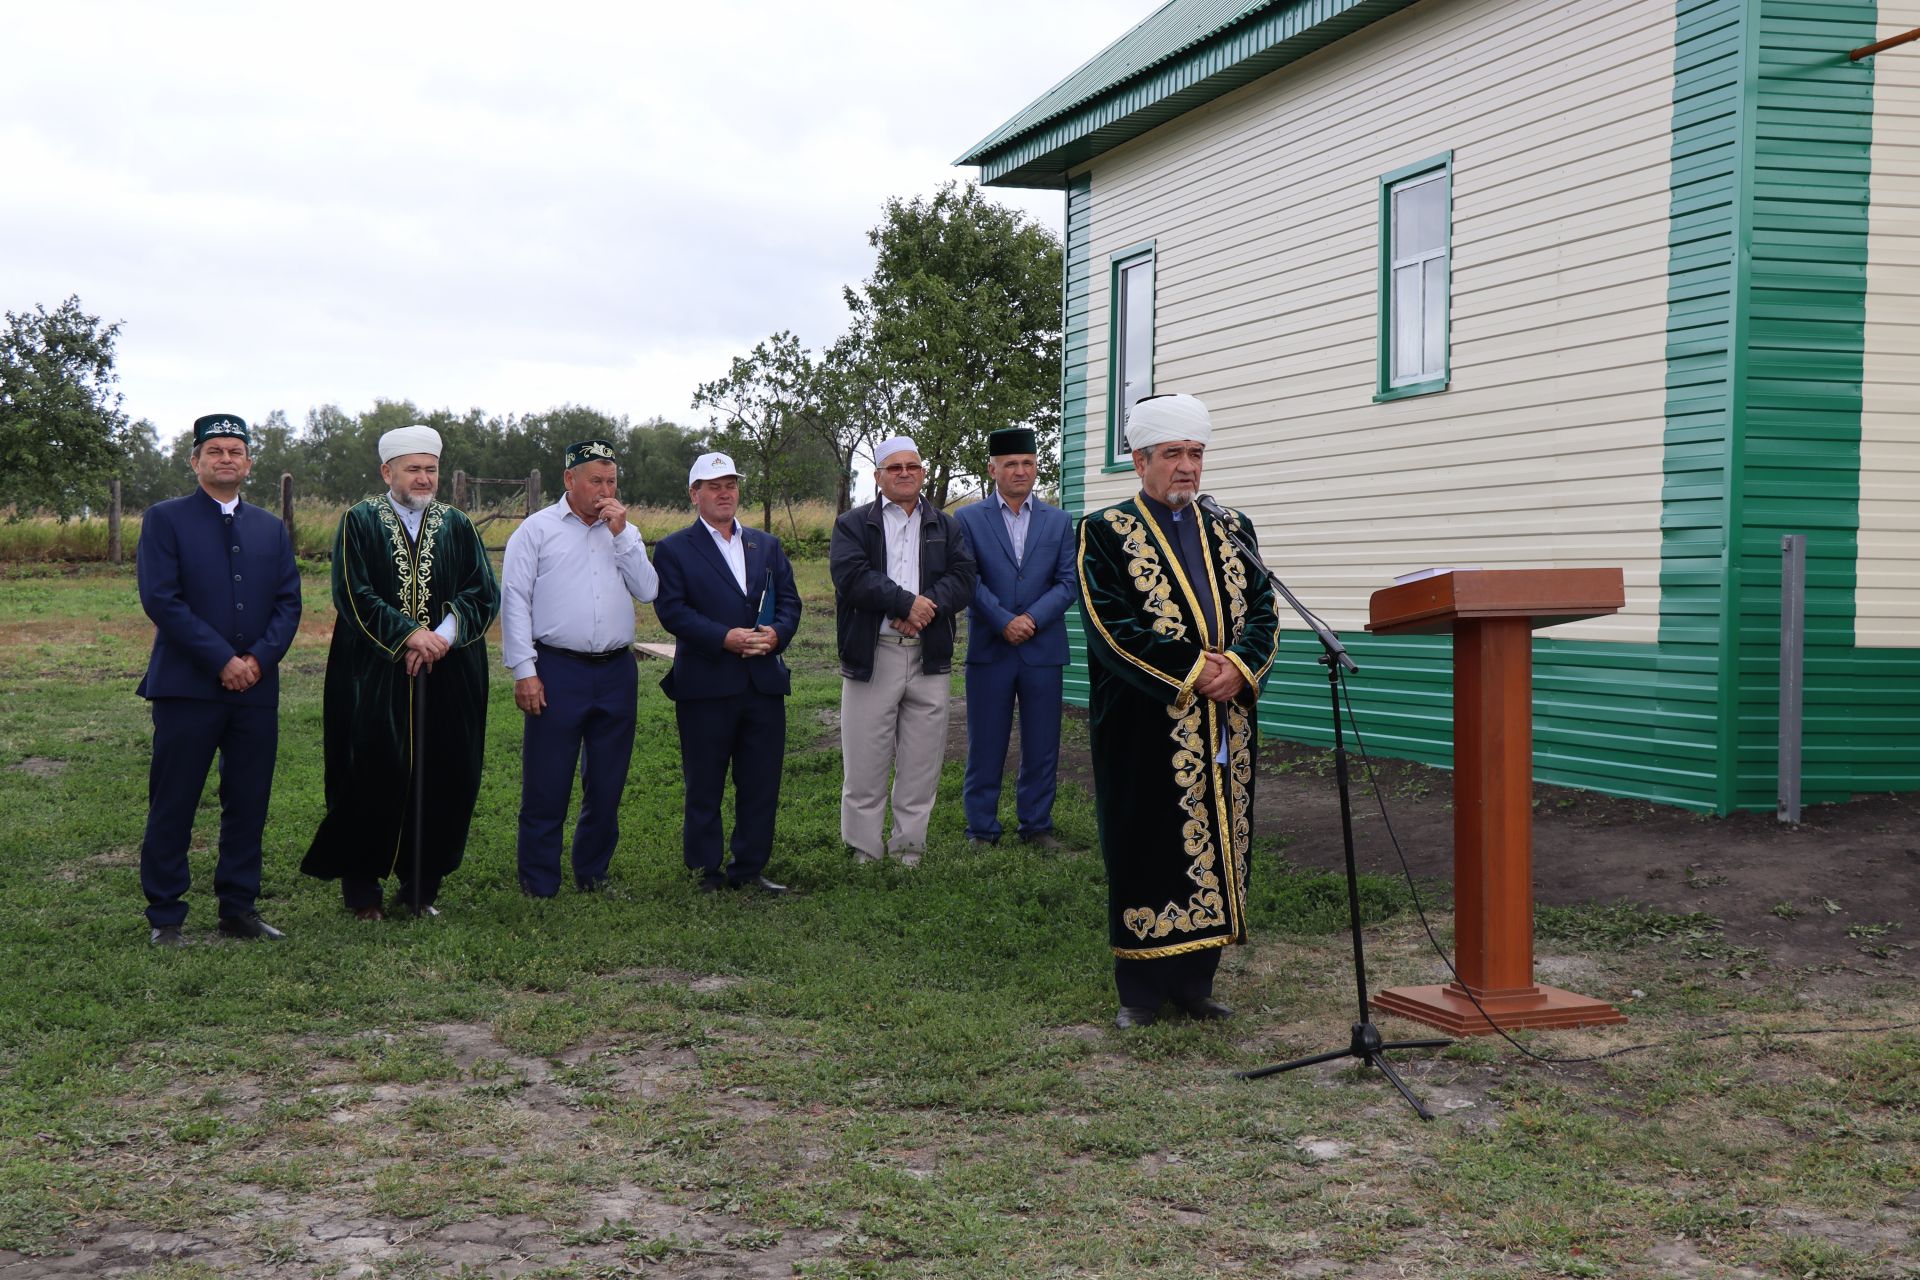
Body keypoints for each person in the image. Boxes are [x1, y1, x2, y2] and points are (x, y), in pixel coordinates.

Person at [1076, 394, 1282, 1028]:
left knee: (1220, 845)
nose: (1187, 468)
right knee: (1146, 844)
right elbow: (1111, 629)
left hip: (1226, 723)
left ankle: (1195, 982)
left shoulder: (1231, 526)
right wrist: (1197, 672)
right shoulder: (1104, 531)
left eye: (1195, 454)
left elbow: (1265, 610)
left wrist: (1240, 671)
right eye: (1173, 455)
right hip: (1145, 722)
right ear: (1140, 461)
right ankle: (1140, 991)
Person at [300, 425, 501, 919]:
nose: (424, 478)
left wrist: (441, 639)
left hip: (448, 672)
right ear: (387, 471)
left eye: (431, 469)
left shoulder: (458, 525)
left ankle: (420, 891)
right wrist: (409, 635)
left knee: (446, 773)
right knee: (367, 771)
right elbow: (353, 592)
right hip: (373, 671)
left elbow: (483, 592)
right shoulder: (359, 521)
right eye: (414, 469)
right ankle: (362, 893)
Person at [134, 413, 303, 946]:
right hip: (187, 686)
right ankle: (166, 914)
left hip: (256, 688)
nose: (225, 458)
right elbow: (161, 598)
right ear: (196, 461)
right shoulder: (166, 519)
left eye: (235, 450)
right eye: (215, 451)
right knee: (175, 799)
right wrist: (220, 659)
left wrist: (256, 661)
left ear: (248, 463)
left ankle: (239, 907)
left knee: (248, 800)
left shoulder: (269, 527)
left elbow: (288, 602)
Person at [499, 438, 659, 898]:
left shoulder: (623, 532)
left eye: (611, 481)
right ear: (570, 480)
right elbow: (515, 603)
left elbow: (648, 591)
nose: (604, 490)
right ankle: (539, 882)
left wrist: (624, 536)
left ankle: (593, 873)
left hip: (615, 671)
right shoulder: (537, 530)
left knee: (607, 782)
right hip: (557, 668)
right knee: (547, 781)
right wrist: (524, 670)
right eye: (595, 480)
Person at [651, 453, 803, 893]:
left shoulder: (766, 544)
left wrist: (776, 634)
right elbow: (673, 610)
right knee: (705, 782)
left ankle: (750, 868)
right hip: (706, 684)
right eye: (713, 486)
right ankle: (705, 871)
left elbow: (790, 602)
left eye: (731, 484)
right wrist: (724, 638)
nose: (724, 493)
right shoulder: (675, 548)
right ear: (694, 494)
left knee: (760, 782)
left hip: (763, 684)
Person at [829, 436, 976, 866]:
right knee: (865, 760)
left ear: (923, 473)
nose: (905, 473)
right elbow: (850, 576)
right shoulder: (853, 524)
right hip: (874, 654)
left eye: (912, 466)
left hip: (929, 655)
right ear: (877, 477)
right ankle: (864, 850)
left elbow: (964, 577)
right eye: (894, 468)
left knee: (922, 761)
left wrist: (923, 609)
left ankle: (908, 848)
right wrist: (903, 602)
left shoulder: (945, 525)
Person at [954, 427, 1077, 851]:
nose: (1020, 471)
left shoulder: (1060, 521)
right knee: (985, 741)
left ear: (1036, 467)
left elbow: (1067, 583)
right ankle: (981, 829)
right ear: (993, 470)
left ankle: (1036, 826)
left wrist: (1031, 620)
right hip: (991, 647)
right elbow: (967, 578)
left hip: (1042, 650)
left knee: (1043, 744)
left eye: (1027, 463)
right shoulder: (968, 519)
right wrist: (1004, 621)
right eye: (1010, 464)